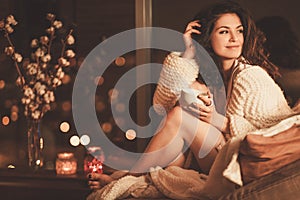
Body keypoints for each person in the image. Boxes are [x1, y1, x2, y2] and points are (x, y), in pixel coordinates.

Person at [87, 0, 296, 191]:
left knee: (180, 117)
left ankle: (125, 179)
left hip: (242, 163)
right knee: (176, 130)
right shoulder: (212, 76)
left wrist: (220, 122)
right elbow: (161, 106)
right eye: (224, 32)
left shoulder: (250, 76)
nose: (234, 39)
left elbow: (274, 134)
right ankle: (137, 179)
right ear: (207, 37)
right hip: (221, 153)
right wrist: (187, 53)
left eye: (239, 31)